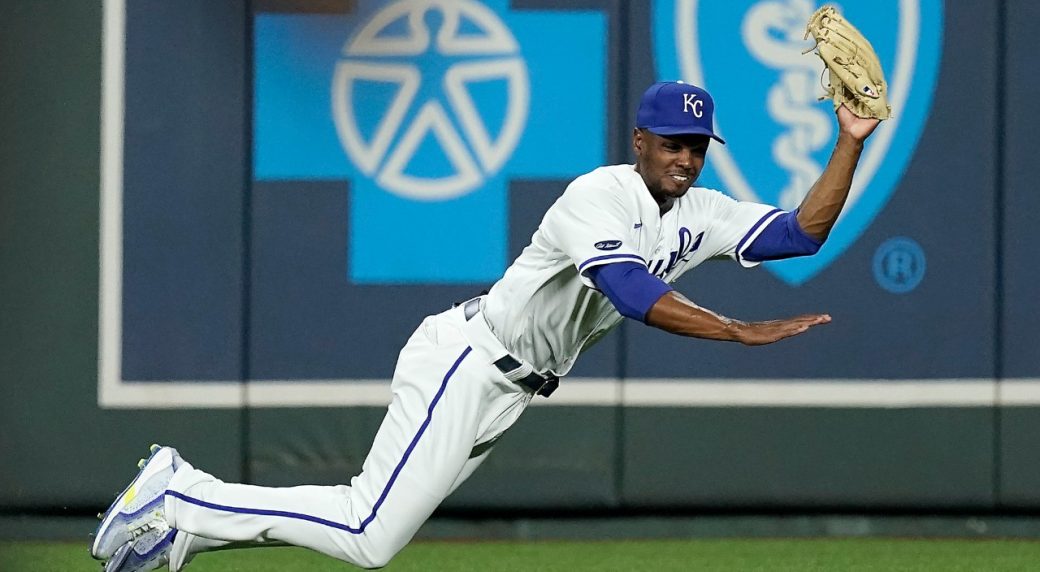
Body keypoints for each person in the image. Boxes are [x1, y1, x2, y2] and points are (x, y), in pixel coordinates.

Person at [90, 81, 879, 571]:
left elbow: (800, 232)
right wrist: (738, 332)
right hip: (468, 364)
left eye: (699, 146)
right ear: (639, 141)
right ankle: (181, 496)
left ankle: (177, 529)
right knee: (369, 533)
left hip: (508, 391)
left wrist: (848, 143)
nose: (686, 157)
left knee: (372, 524)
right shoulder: (594, 199)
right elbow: (634, 294)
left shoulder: (699, 210)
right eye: (672, 141)